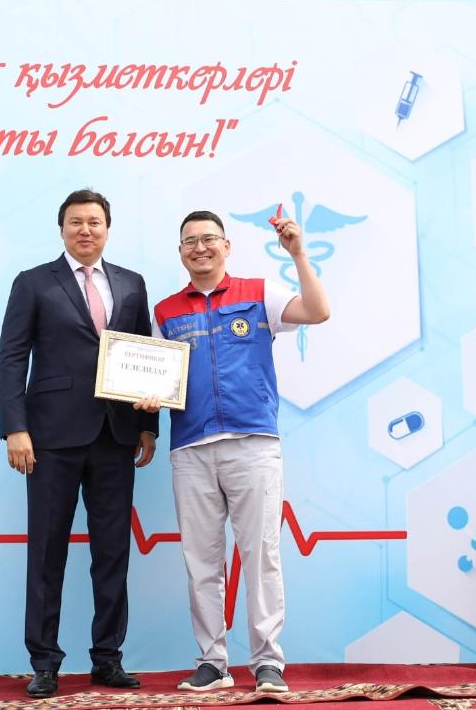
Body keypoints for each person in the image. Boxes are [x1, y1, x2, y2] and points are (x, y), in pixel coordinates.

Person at [146, 209, 330, 693]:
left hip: (253, 444)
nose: (200, 247)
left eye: (209, 238)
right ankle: (213, 662)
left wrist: (299, 254)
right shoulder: (165, 312)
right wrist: (146, 398)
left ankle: (268, 662)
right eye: (190, 241)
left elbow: (317, 311)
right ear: (180, 252)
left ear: (226, 246)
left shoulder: (259, 293)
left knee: (261, 555)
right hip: (191, 448)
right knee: (201, 561)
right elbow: (156, 378)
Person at [0, 189, 157, 698]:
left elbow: (146, 356)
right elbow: (12, 357)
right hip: (50, 438)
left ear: (107, 228)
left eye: (94, 222)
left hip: (116, 435)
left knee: (113, 552)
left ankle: (107, 658)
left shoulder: (132, 283)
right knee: (47, 552)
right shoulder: (33, 282)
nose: (85, 230)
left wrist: (149, 426)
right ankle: (44, 662)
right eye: (75, 222)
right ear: (61, 228)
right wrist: (15, 426)